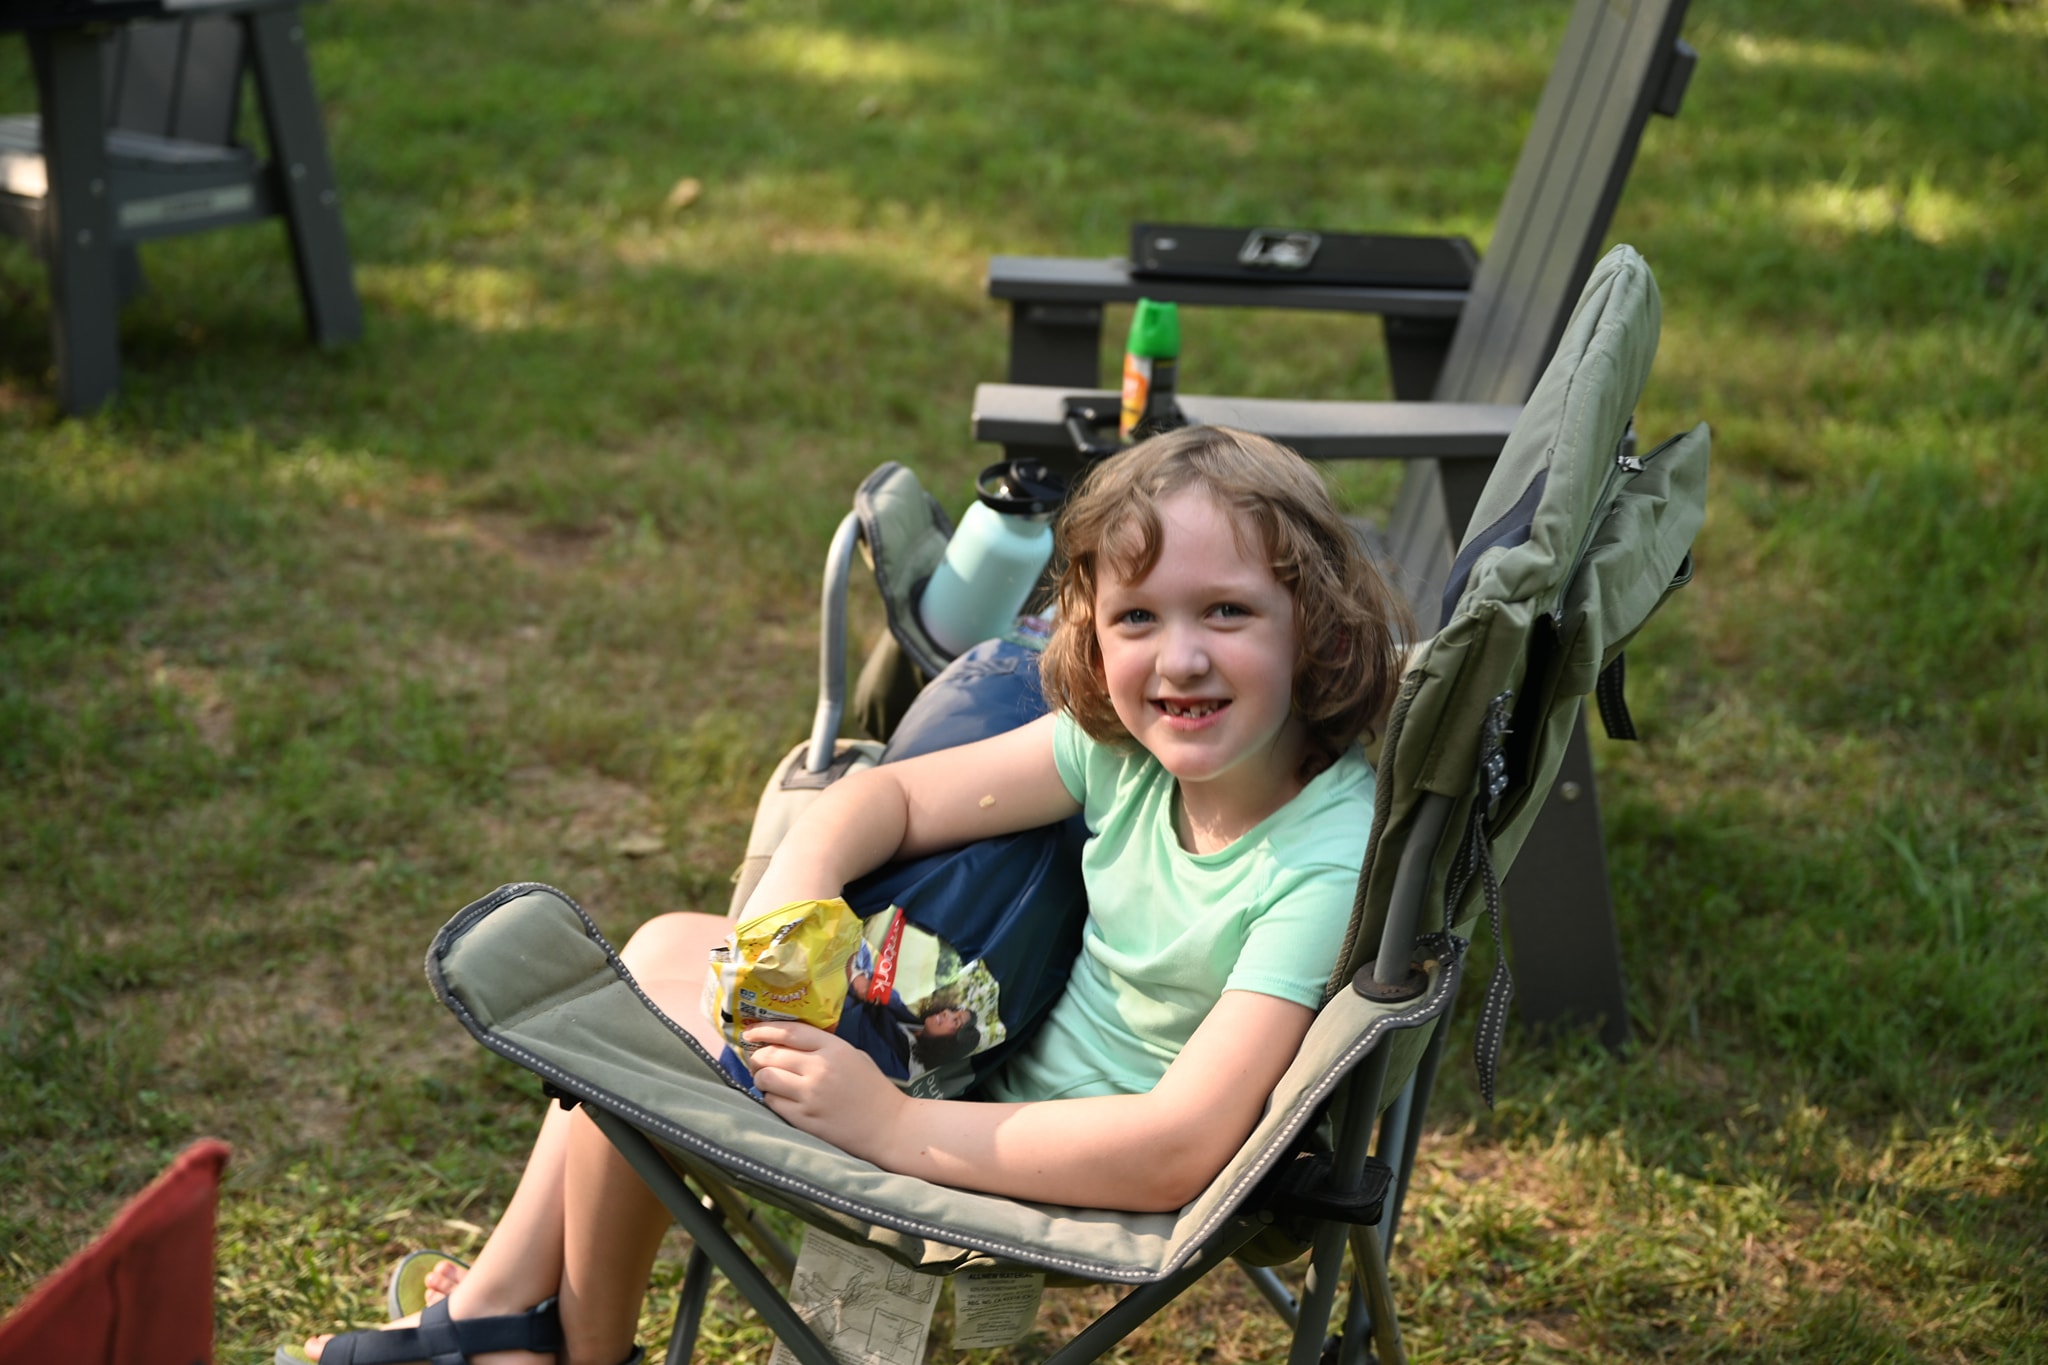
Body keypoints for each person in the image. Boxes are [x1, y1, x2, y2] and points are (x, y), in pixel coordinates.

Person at [286, 425, 1409, 1365]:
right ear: (1089, 631)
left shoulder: (1315, 862)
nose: (1179, 661)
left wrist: (896, 1126)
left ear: (1312, 622)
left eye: (1225, 614)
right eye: (1136, 619)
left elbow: (1176, 1146)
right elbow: (886, 805)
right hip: (982, 1065)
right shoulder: (1120, 751)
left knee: (645, 1017)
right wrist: (805, 882)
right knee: (673, 947)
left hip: (1028, 1160)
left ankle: (528, 1338)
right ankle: (508, 1322)